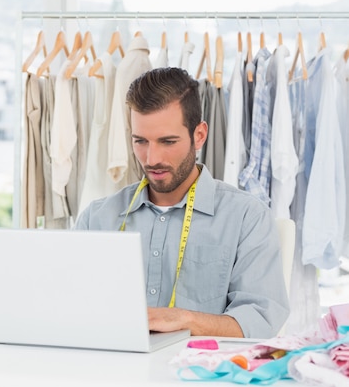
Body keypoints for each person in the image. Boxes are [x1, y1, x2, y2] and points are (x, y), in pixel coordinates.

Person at [74, 67, 289, 339]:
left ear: (199, 135)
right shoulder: (97, 218)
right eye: (140, 141)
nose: (152, 158)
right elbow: (71, 306)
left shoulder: (247, 218)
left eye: (167, 141)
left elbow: (260, 321)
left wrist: (181, 319)